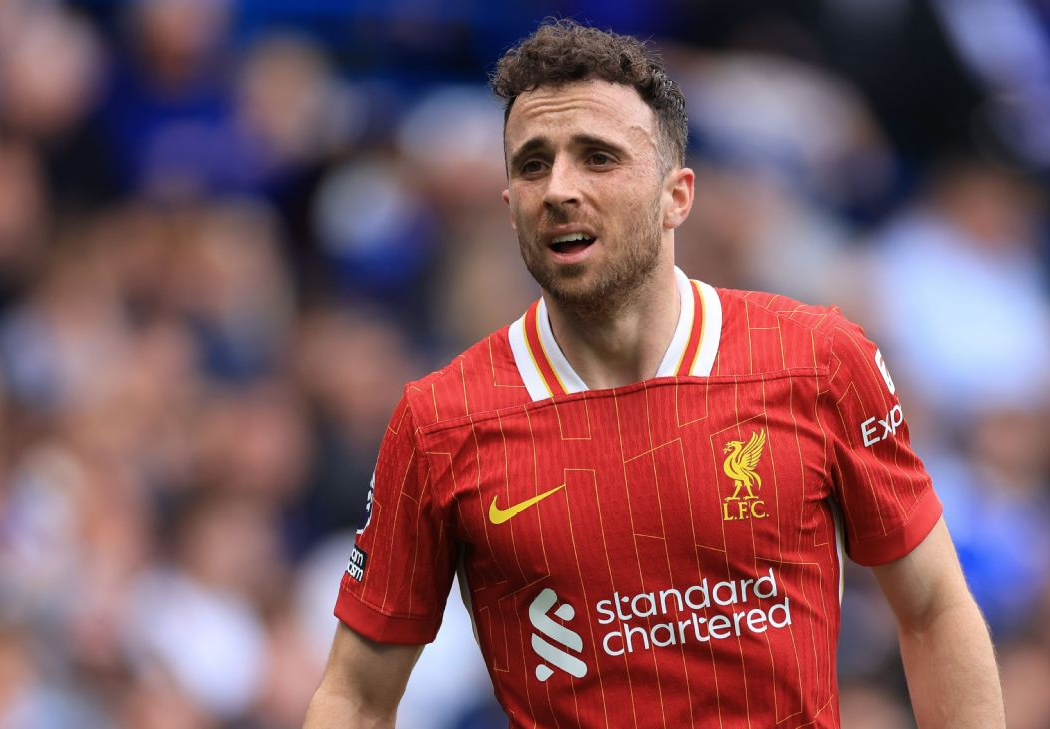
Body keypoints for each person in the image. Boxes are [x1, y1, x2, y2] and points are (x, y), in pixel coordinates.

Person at [304, 19, 1004, 728]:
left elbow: (934, 608)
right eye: (533, 164)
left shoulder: (818, 360)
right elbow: (356, 697)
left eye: (598, 158)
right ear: (509, 205)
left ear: (678, 195)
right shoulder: (441, 422)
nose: (559, 189)